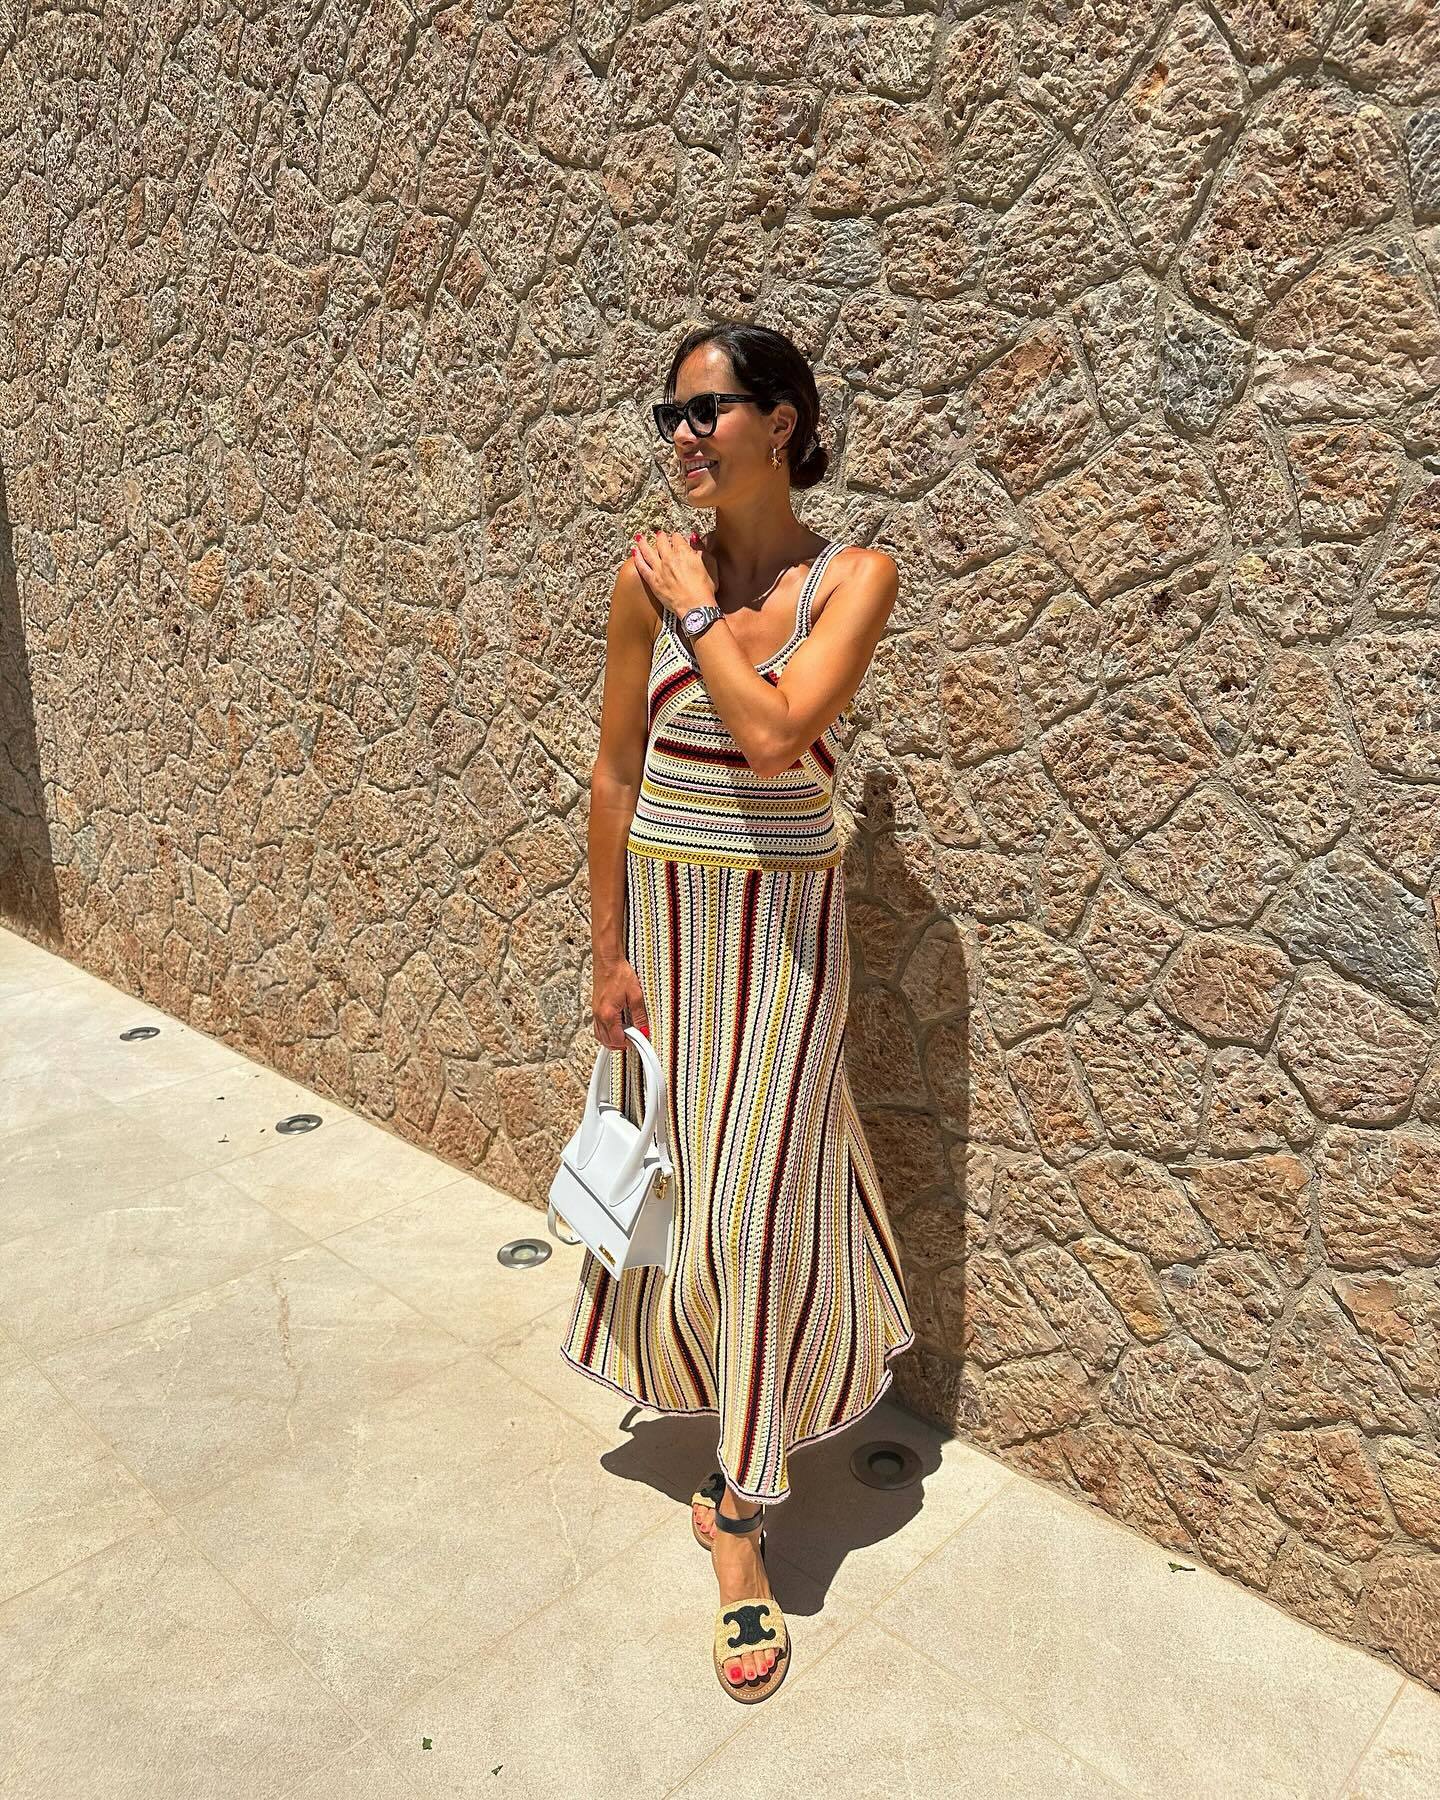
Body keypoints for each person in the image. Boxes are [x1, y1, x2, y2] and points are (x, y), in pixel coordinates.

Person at [558, 320, 915, 1701]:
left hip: (788, 938)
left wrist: (698, 611)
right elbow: (614, 774)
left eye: (707, 409)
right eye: (671, 414)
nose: (684, 435)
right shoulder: (642, 580)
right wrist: (608, 952)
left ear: (784, 422)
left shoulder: (853, 577)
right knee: (703, 1201)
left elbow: (773, 736)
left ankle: (742, 1512)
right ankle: (735, 1412)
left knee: (760, 1208)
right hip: (675, 931)